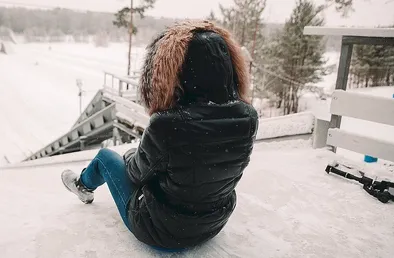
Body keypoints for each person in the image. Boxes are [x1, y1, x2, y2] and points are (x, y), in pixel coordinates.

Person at [61, 20, 259, 251]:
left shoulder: (168, 124)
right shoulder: (248, 117)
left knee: (106, 157)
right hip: (214, 223)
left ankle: (83, 186)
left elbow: (136, 174)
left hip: (163, 231)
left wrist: (131, 156)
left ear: (180, 70)